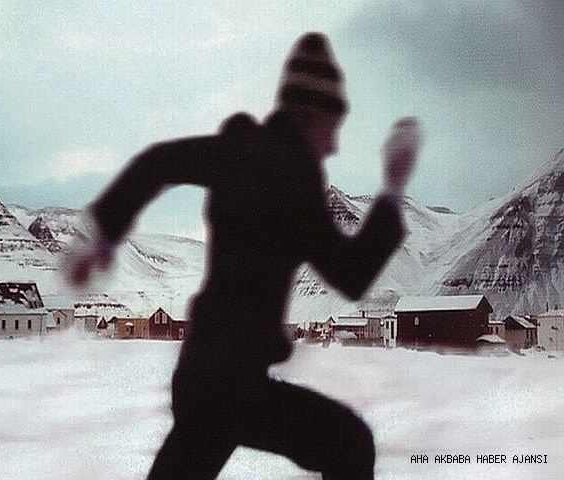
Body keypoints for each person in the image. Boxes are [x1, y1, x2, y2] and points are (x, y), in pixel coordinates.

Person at [66, 32, 420, 480]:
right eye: (333, 128)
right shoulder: (293, 176)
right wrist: (392, 187)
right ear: (310, 115)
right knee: (349, 444)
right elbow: (351, 274)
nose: (334, 146)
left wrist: (104, 235)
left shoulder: (237, 153)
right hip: (231, 388)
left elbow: (157, 163)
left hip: (202, 379)